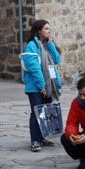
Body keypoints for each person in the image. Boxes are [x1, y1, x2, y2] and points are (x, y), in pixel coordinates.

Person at [22, 19, 63, 152]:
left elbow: (57, 60)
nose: (49, 31)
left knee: (45, 113)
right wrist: (42, 86)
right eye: (46, 29)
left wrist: (51, 44)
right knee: (36, 113)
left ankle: (42, 137)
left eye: (49, 28)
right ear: (39, 31)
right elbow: (34, 68)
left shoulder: (46, 45)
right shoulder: (32, 46)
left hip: (49, 85)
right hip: (36, 87)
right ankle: (35, 140)